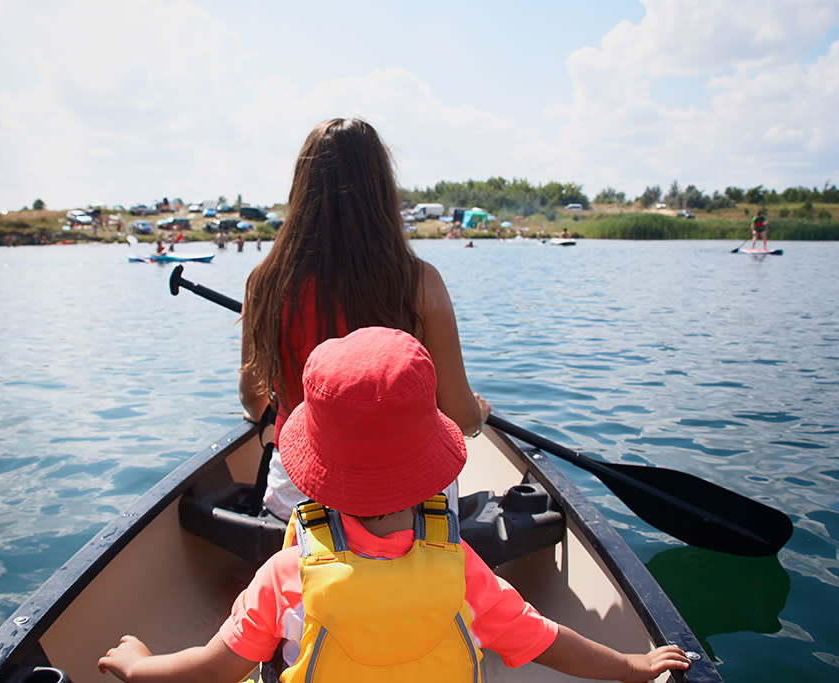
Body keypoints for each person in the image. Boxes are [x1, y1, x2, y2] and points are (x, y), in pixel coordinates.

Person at [98, 327, 692, 682]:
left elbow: (209, 669)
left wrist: (138, 664)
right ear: (429, 469)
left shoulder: (286, 575)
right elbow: (542, 639)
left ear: (315, 477)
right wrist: (628, 665)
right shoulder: (460, 566)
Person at [237, 118, 490, 520]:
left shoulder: (263, 282)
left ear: (301, 193)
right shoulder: (420, 283)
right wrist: (479, 416)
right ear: (381, 191)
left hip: (300, 497)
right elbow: (459, 417)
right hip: (409, 507)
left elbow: (253, 401)